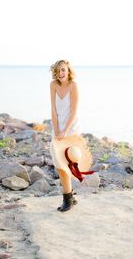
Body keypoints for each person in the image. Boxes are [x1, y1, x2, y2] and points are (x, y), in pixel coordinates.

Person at [49, 59, 93, 212]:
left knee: (67, 162)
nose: (61, 73)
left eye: (63, 70)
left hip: (71, 129)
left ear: (68, 71)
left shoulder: (74, 86)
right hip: (57, 129)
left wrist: (65, 131)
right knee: (59, 164)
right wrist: (56, 130)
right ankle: (69, 197)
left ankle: (67, 198)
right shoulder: (53, 85)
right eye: (58, 70)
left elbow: (74, 111)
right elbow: (53, 110)